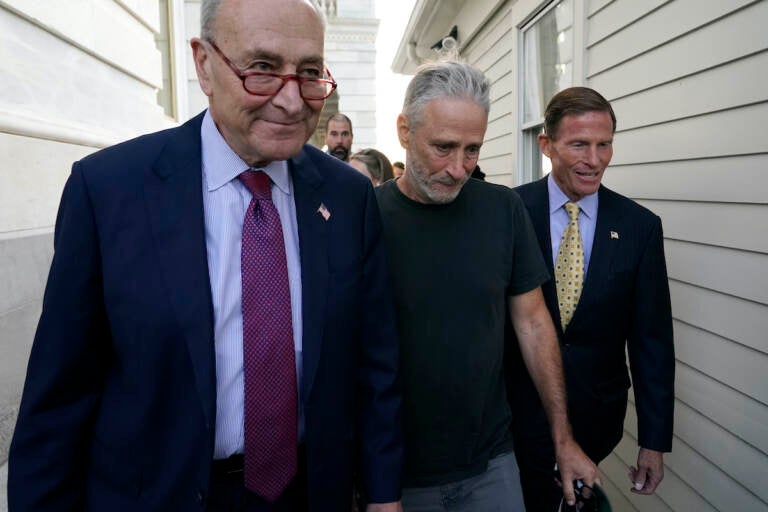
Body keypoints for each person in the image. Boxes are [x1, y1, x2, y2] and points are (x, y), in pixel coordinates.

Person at [7, 0, 403, 510]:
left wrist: (383, 493)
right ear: (204, 64)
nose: (291, 100)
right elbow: (59, 400)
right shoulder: (108, 191)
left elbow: (374, 363)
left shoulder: (348, 198)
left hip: (308, 493)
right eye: (261, 68)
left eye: (308, 73)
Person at [375, 61, 597, 511]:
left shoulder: (503, 210)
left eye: (472, 150)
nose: (458, 169)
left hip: (493, 466)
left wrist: (563, 438)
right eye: (443, 147)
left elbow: (533, 325)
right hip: (396, 478)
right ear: (404, 130)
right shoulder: (365, 217)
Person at [508, 86, 674, 511]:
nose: (595, 159)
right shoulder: (509, 210)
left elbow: (651, 341)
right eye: (579, 144)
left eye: (605, 145)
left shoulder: (639, 227)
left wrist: (653, 441)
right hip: (512, 416)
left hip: (595, 419)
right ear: (546, 145)